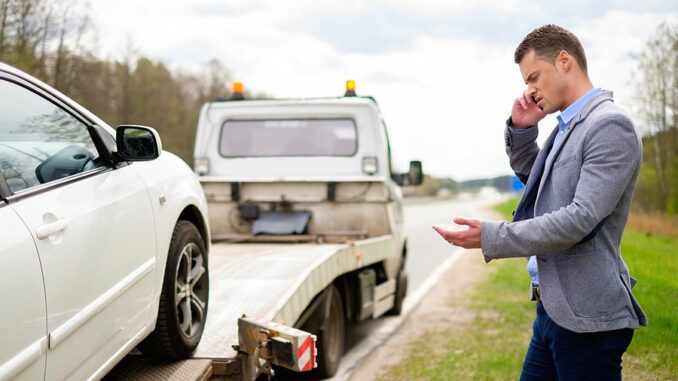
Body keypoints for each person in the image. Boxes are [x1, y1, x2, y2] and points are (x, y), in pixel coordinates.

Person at [432, 24, 647, 380]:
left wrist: (492, 237)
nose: (529, 90)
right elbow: (540, 181)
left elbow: (580, 219)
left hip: (587, 318)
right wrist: (522, 130)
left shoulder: (610, 126)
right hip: (553, 310)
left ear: (564, 61)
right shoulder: (568, 125)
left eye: (534, 77)